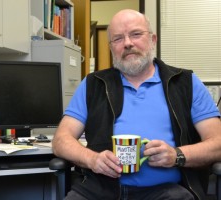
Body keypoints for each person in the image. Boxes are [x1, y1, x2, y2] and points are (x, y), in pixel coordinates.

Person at [52, 9, 221, 200]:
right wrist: (92, 159)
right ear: (111, 47)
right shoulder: (93, 84)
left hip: (167, 191)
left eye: (136, 34)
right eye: (117, 39)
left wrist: (176, 155)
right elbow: (60, 141)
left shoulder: (186, 82)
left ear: (153, 40)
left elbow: (218, 144)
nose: (128, 43)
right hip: (100, 189)